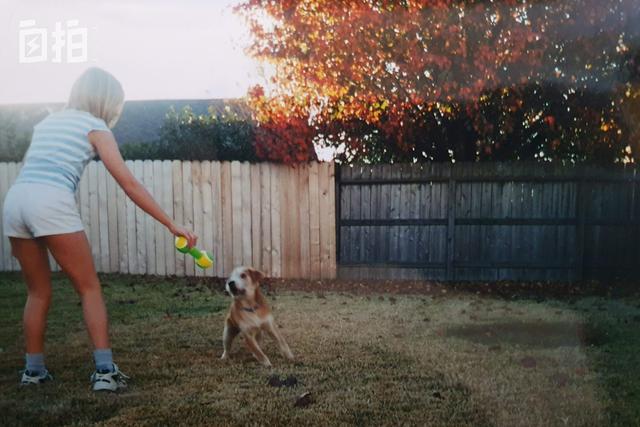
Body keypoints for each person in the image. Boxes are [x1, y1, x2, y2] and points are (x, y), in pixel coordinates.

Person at [2, 67, 197, 391]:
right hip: (49, 199)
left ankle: (33, 372)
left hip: (16, 198)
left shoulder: (48, 122)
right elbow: (128, 182)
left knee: (37, 292)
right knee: (89, 288)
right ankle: (105, 373)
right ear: (108, 101)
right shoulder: (95, 127)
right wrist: (171, 224)